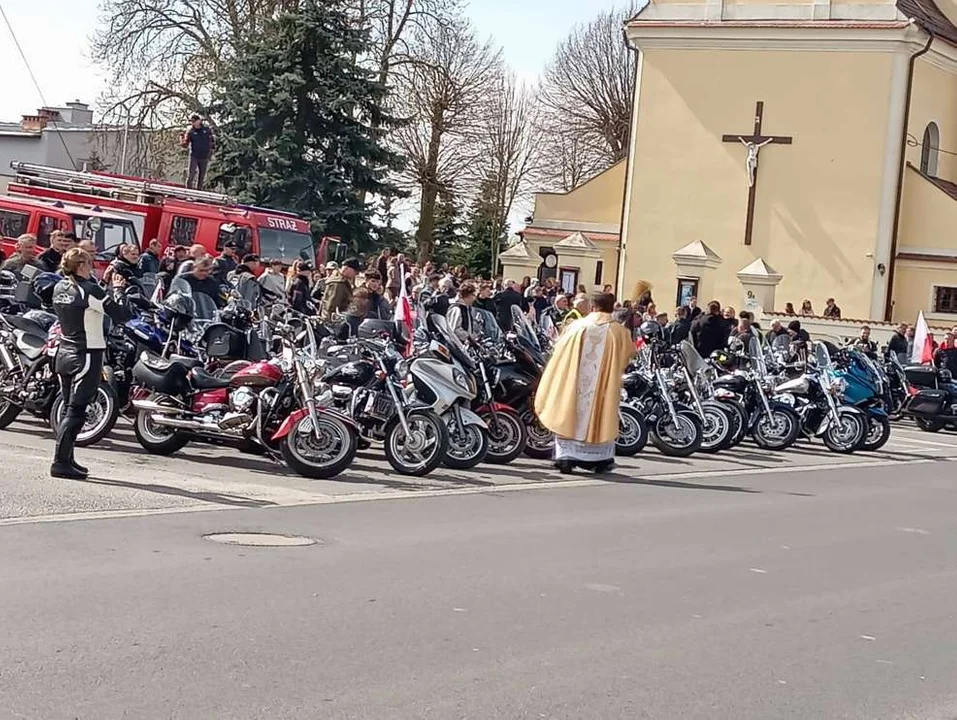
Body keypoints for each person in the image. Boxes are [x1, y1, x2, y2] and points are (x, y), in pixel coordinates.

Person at [49, 248, 132, 479]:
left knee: (68, 408)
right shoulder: (90, 290)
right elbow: (122, 313)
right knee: (77, 411)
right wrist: (118, 290)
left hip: (64, 351)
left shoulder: (60, 286)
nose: (93, 265)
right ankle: (60, 462)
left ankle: (67, 457)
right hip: (87, 353)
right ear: (81, 266)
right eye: (89, 262)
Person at [535, 292, 634, 474]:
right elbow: (628, 355)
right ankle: (599, 460)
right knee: (601, 414)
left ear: (592, 307)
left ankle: (566, 458)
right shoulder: (618, 331)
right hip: (602, 388)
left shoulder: (577, 327)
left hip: (574, 384)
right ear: (611, 308)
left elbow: (559, 353)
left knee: (569, 409)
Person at [181, 113, 215, 190]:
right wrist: (182, 139)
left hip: (204, 156)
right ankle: (188, 192)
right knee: (191, 174)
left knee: (202, 176)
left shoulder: (206, 130)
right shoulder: (191, 131)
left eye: (194, 121)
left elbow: (212, 142)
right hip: (194, 156)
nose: (193, 123)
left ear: (199, 121)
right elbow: (185, 144)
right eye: (191, 122)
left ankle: (199, 192)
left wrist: (211, 153)